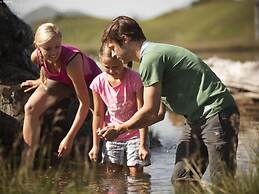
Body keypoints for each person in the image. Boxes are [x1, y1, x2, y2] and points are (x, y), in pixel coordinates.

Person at [98, 16, 240, 184]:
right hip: (195, 119)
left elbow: (149, 109)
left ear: (125, 39)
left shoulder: (151, 58)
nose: (113, 54)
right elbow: (158, 114)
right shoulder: (151, 58)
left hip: (217, 114)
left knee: (222, 181)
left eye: (113, 48)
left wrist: (121, 128)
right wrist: (127, 132)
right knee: (182, 179)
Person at [20, 23, 101, 168]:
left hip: (90, 83)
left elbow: (84, 103)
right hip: (64, 82)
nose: (53, 52)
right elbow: (45, 67)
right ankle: (27, 163)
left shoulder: (72, 61)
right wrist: (40, 81)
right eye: (47, 48)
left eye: (57, 46)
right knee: (30, 108)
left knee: (103, 118)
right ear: (37, 47)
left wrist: (69, 138)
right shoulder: (35, 57)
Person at [88, 43, 151, 177]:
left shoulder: (135, 79)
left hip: (135, 134)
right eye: (106, 67)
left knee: (136, 176)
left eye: (115, 67)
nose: (111, 71)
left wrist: (143, 144)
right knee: (113, 177)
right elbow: (98, 115)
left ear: (123, 61)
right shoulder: (98, 83)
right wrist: (95, 145)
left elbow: (143, 112)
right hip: (112, 135)